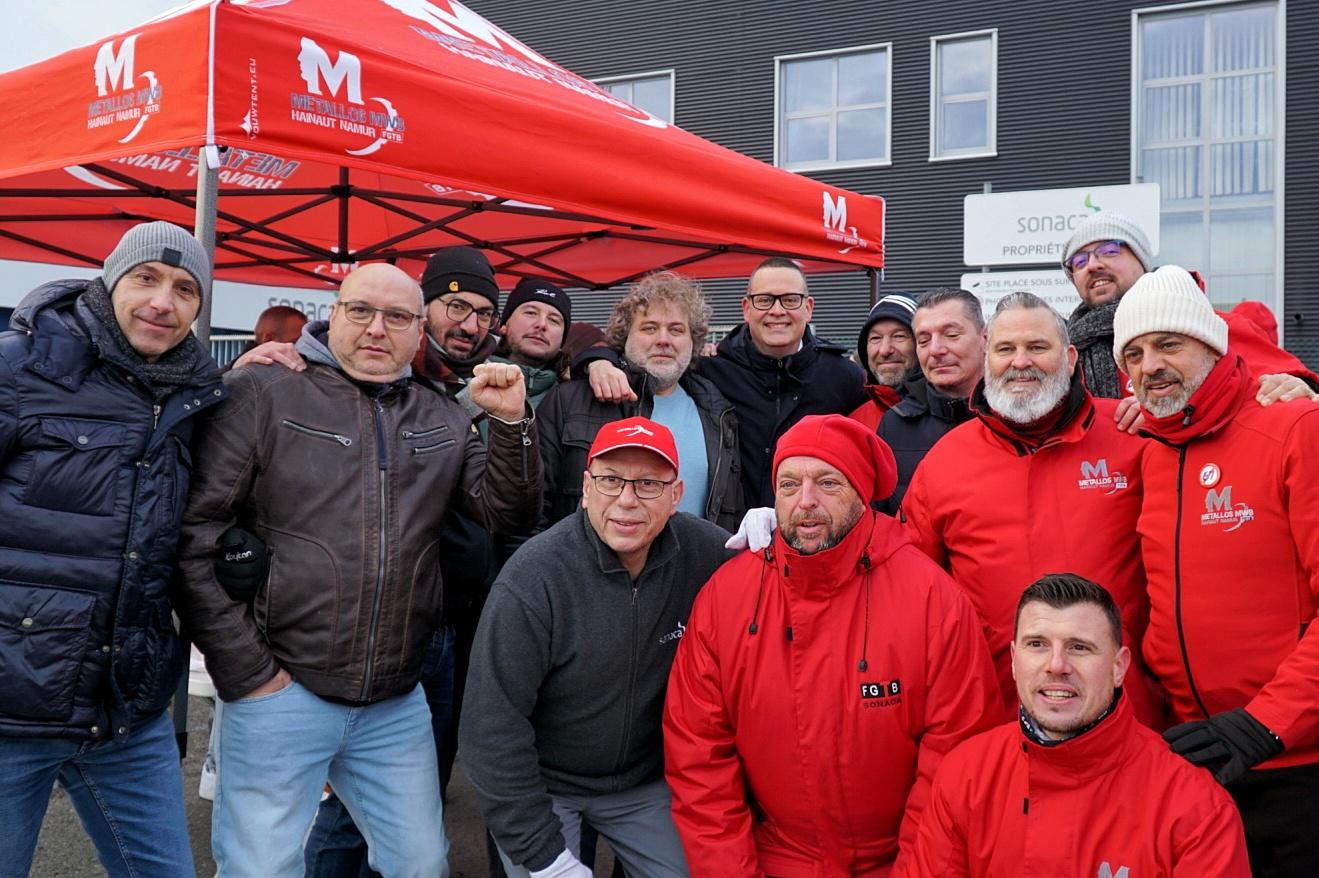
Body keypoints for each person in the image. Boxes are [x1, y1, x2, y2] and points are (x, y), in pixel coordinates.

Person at [175, 262, 542, 878]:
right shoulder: (264, 391)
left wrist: (510, 423)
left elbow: (506, 510)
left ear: (418, 330)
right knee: (259, 868)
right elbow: (195, 538)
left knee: (422, 863)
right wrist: (247, 670)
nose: (377, 329)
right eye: (361, 311)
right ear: (335, 312)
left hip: (394, 700)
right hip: (281, 687)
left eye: (397, 317)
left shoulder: (441, 414)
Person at [664, 414, 999, 876]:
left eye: (827, 482)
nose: (806, 502)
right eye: (788, 484)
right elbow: (699, 759)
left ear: (862, 495)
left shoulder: (931, 599)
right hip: (776, 859)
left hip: (901, 860)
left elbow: (955, 761)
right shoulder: (727, 598)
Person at [0, 221, 222, 876]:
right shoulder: (20, 366)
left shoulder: (195, 397)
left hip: (127, 710)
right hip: (11, 704)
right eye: (146, 278)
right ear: (109, 281)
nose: (163, 301)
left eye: (186, 290)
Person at [461, 417, 733, 878]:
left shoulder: (703, 551)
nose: (626, 500)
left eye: (648, 483)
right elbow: (491, 729)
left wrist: (775, 534)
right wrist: (545, 857)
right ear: (585, 488)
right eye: (610, 480)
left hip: (643, 783)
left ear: (676, 495)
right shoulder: (535, 578)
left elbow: (783, 574)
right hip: (545, 785)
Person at [1115, 265, 1319, 877]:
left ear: (1213, 345)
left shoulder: (1294, 428)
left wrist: (1268, 724)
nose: (1151, 364)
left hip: (1297, 767)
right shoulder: (1152, 451)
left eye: (1169, 343)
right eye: (1135, 352)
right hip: (1197, 761)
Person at [899, 292, 1160, 723]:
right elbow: (908, 585)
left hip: (1124, 711)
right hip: (994, 712)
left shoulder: (1134, 435)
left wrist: (1290, 388)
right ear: (987, 356)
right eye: (1006, 349)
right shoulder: (944, 462)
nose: (1021, 362)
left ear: (1071, 357)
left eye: (1037, 347)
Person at [905, 574, 1251, 877]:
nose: (1057, 665)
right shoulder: (965, 775)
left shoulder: (1195, 807)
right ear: (1013, 661)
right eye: (1037, 645)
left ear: (1119, 667)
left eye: (1079, 647)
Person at [582, 257, 866, 508]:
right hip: (736, 542)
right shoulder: (713, 370)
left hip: (810, 530)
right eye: (764, 300)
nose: (777, 311)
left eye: (790, 300)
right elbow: (644, 356)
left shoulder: (843, 377)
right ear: (746, 308)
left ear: (809, 308)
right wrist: (597, 360)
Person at [538, 272, 742, 531]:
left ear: (694, 342)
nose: (663, 340)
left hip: (700, 569)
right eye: (649, 328)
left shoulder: (719, 415)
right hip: (587, 569)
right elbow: (534, 507)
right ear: (625, 338)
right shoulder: (569, 401)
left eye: (677, 329)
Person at [1062, 210, 1317, 400]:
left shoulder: (1207, 327)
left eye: (1109, 250)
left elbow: (1289, 385)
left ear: (1141, 261)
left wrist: (1295, 387)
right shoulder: (1066, 350)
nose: (1093, 265)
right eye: (1079, 261)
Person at [879, 288, 985, 511]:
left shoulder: (1013, 418)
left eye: (951, 335)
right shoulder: (895, 424)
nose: (936, 350)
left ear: (985, 338)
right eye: (924, 340)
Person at [848, 292, 918, 429]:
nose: (885, 350)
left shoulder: (947, 414)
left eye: (899, 336)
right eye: (875, 338)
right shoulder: (855, 425)